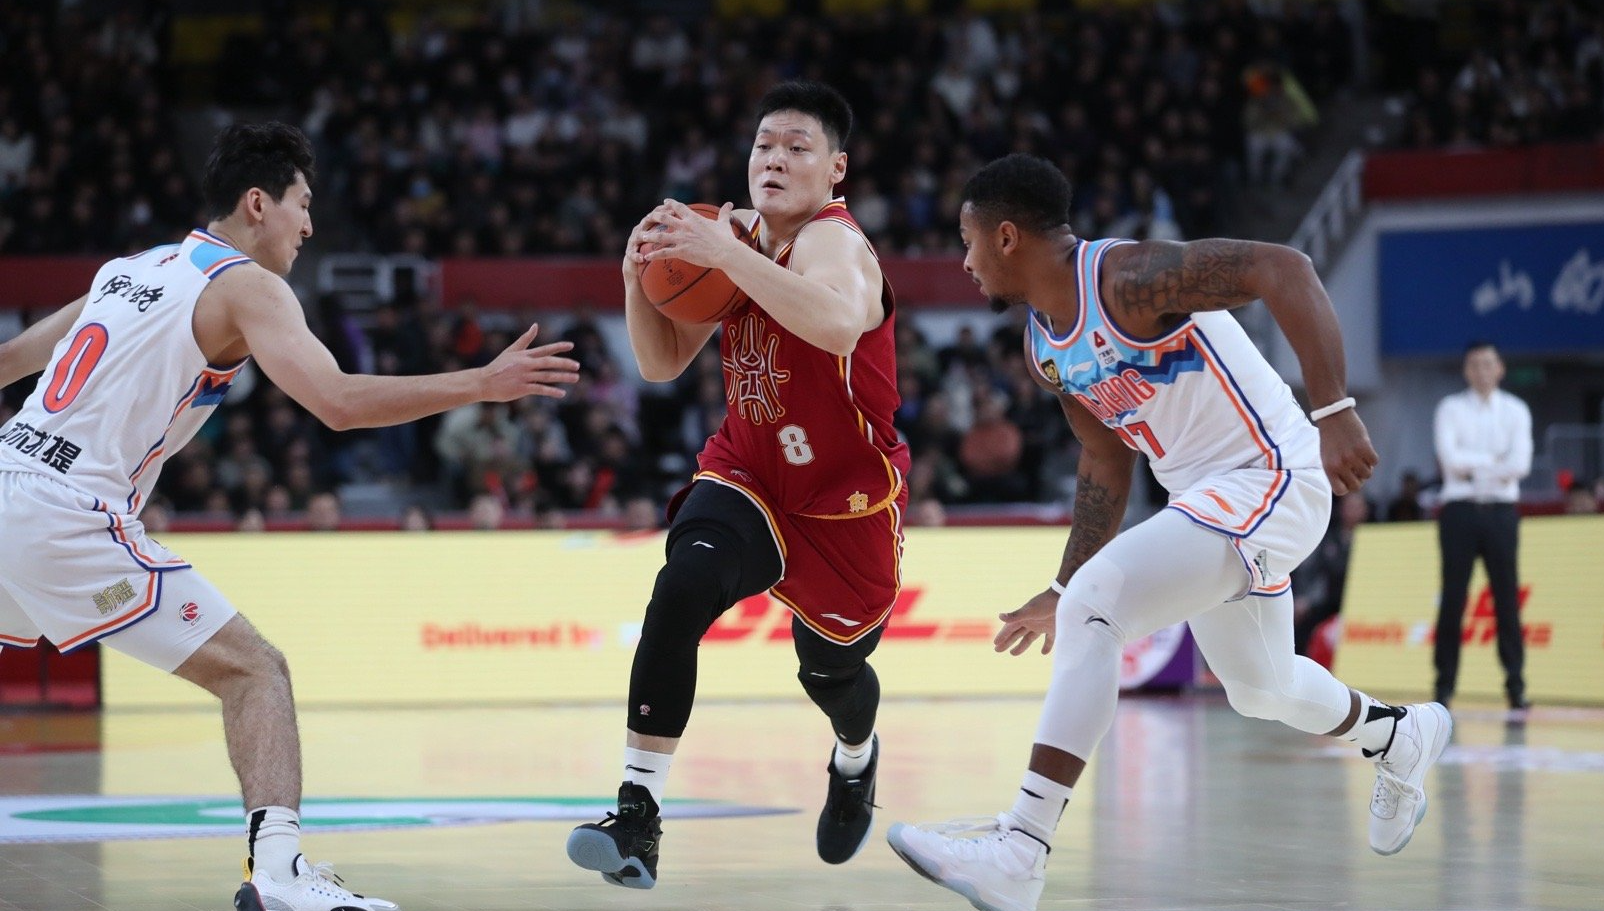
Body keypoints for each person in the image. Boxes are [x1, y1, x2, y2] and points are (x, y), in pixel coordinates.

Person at [0, 122, 579, 911]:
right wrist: (480, 381)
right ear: (257, 203)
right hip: (66, 516)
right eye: (303, 205)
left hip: (8, 476)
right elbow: (336, 402)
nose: (309, 225)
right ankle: (279, 873)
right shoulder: (248, 286)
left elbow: (9, 361)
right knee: (256, 670)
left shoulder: (127, 269)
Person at [885, 154, 1450, 911]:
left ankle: (1021, 846)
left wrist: (1332, 409)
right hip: (1209, 499)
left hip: (1271, 472)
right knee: (1260, 685)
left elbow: (1286, 268)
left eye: (969, 241)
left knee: (1100, 606)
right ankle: (1397, 734)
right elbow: (1103, 457)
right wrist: (1059, 584)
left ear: (1008, 236)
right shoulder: (1044, 344)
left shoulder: (1128, 279)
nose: (964, 262)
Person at [565, 80, 908, 889]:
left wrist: (727, 256)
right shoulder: (729, 236)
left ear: (836, 171)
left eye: (797, 147)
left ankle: (855, 759)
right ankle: (637, 816)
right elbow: (659, 362)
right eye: (764, 146)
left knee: (831, 676)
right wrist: (632, 278)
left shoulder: (835, 242)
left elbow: (835, 321)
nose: (775, 159)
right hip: (749, 473)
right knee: (680, 588)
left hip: (844, 501)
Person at [1432, 341, 1532, 711]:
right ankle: (1444, 686)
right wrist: (1494, 463)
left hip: (1502, 514)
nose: (1482, 370)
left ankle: (1516, 686)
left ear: (1500, 368)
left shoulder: (1516, 410)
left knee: (1507, 599)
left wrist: (1474, 466)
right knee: (1453, 598)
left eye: (1488, 363)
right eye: (1474, 364)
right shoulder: (1450, 408)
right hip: (1459, 512)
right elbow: (1449, 460)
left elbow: (1520, 464)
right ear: (1466, 370)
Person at [1292, 491, 1368, 657]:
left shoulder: (1373, 539)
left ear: (1365, 510)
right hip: (1326, 601)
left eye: (1357, 507)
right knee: (1305, 624)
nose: (1353, 511)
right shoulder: (1328, 537)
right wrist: (1305, 599)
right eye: (1349, 506)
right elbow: (1312, 570)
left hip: (1360, 603)